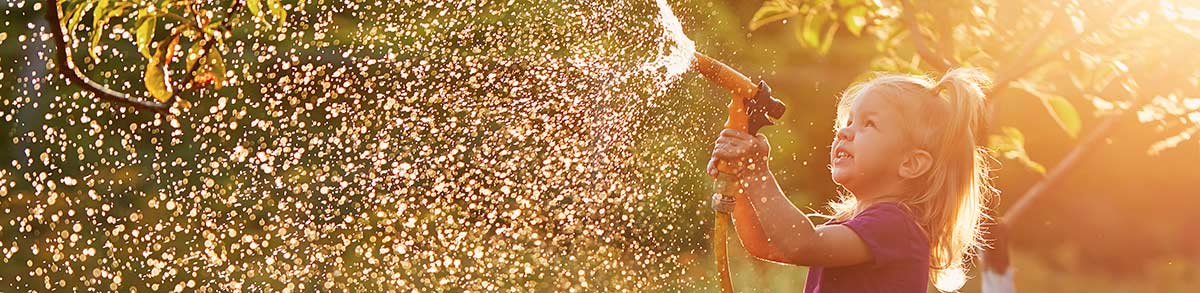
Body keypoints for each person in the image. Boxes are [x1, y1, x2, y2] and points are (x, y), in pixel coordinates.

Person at [707, 68, 998, 292]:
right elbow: (764, 244)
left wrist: (758, 172)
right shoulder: (852, 226)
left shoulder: (897, 226)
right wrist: (744, 174)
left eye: (868, 124)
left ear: (911, 163)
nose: (844, 133)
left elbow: (800, 244)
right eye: (848, 122)